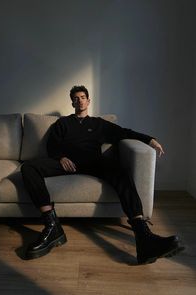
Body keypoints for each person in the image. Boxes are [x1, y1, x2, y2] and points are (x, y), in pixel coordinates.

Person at [21, 85, 183, 264]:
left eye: (83, 97)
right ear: (72, 102)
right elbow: (51, 146)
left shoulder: (99, 124)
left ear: (88, 101)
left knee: (120, 170)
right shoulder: (62, 123)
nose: (79, 100)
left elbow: (124, 132)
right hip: (67, 163)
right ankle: (52, 226)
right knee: (28, 168)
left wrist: (150, 140)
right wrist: (61, 157)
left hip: (93, 162)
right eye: (76, 98)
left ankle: (144, 238)